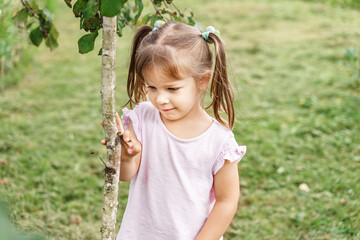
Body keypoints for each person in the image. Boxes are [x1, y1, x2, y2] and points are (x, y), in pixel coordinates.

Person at [100, 21, 246, 240]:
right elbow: (126, 175)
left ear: (202, 81)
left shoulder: (219, 141)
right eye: (152, 87)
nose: (161, 99)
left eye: (172, 88)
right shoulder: (143, 118)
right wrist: (127, 155)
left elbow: (227, 201)